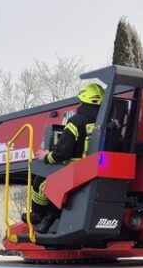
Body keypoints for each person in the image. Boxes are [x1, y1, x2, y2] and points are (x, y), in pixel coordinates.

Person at [30, 83, 105, 233]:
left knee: (40, 182)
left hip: (76, 172)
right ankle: (48, 221)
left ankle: (37, 216)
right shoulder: (105, 123)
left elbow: (62, 153)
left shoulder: (75, 122)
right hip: (98, 170)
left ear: (82, 100)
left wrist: (46, 156)